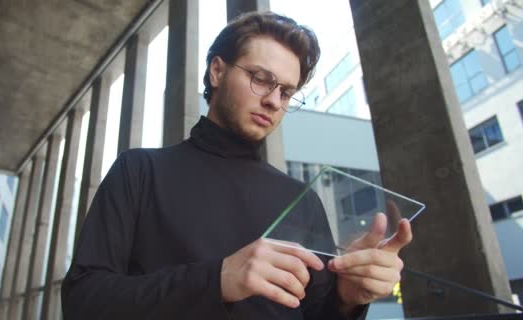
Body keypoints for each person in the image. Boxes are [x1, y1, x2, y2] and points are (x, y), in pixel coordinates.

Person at [61, 11, 412, 320]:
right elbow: (83, 301)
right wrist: (218, 280)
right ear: (217, 71)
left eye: (287, 92)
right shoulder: (138, 171)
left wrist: (346, 298)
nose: (274, 100)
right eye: (261, 78)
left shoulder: (302, 199)